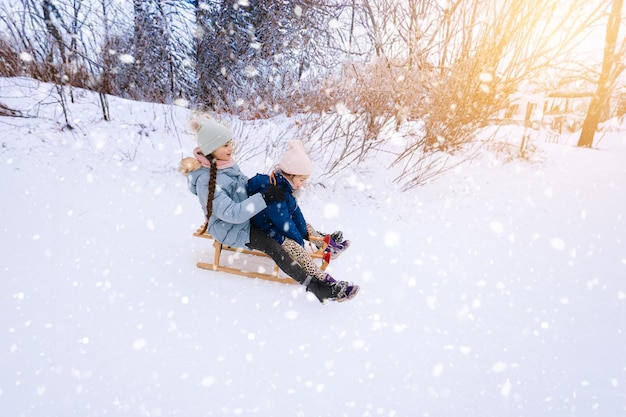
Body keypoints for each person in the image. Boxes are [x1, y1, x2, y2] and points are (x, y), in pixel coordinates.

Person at [179, 116, 352, 303]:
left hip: (248, 216)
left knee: (280, 217)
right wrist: (263, 198)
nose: (231, 149)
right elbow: (231, 214)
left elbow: (243, 186)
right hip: (229, 228)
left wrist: (264, 186)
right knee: (274, 246)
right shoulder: (205, 181)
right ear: (211, 149)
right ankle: (319, 288)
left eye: (230, 144)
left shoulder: (226, 164)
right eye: (225, 145)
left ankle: (320, 241)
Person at [247, 140, 359, 300]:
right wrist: (300, 241)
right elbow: (284, 224)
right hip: (267, 230)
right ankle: (326, 281)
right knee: (297, 249)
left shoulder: (284, 187)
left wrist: (306, 232)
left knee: (305, 225)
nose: (302, 184)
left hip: (274, 225)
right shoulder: (276, 192)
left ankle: (326, 244)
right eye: (301, 180)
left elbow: (295, 214)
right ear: (290, 175)